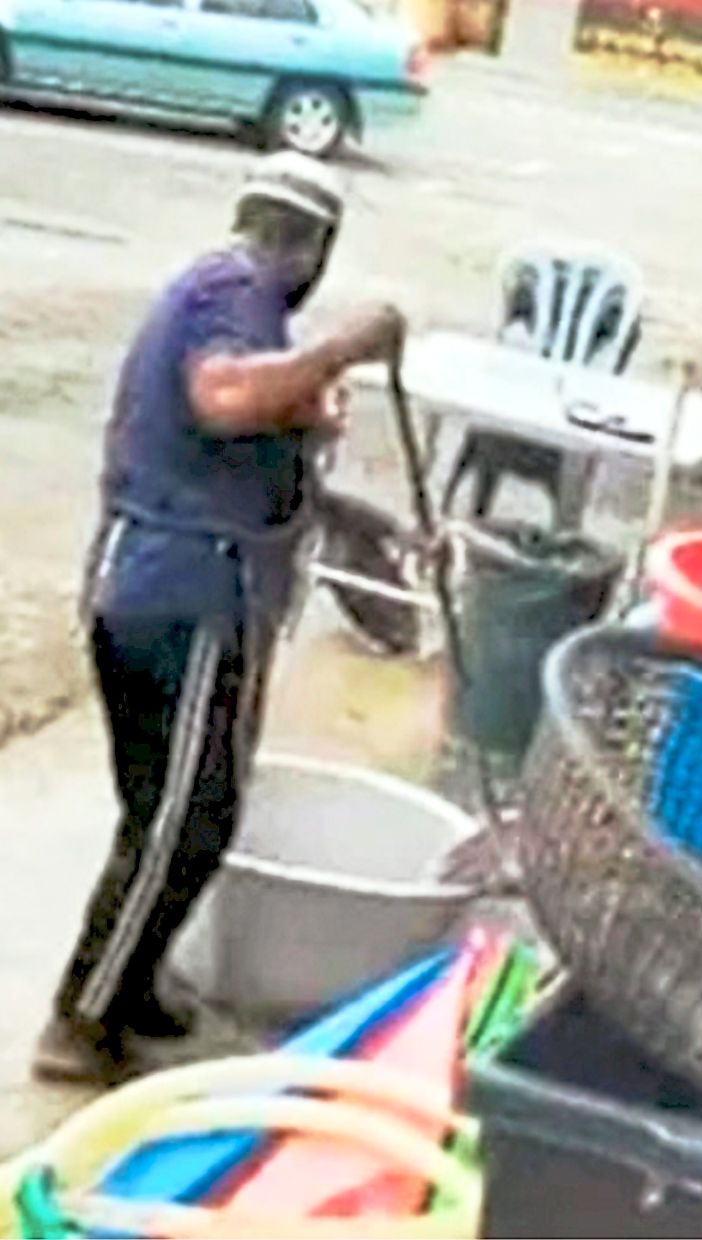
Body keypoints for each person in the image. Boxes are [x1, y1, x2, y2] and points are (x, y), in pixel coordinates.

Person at [33, 152, 405, 1085]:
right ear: (314, 247)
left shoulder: (243, 310)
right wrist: (345, 346)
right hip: (191, 595)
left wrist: (362, 518)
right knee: (184, 821)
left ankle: (132, 982)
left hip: (164, 582)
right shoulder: (231, 289)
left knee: (166, 810)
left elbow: (252, 468)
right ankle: (81, 1020)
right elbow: (225, 399)